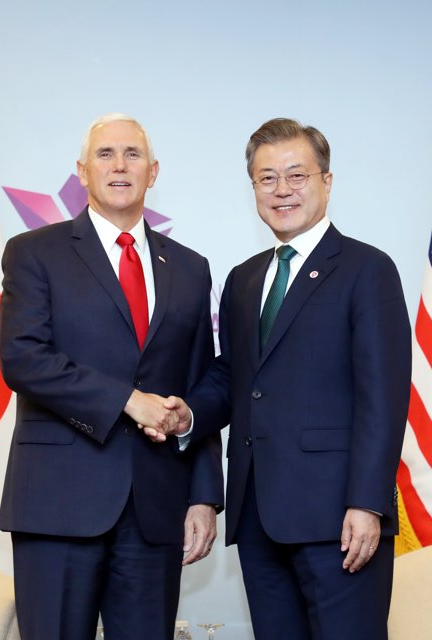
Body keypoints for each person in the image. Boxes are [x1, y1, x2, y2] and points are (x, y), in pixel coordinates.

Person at [147, 117, 412, 639]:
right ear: (254, 189)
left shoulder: (367, 269)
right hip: (259, 517)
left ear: (327, 182)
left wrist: (366, 502)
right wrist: (189, 414)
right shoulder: (245, 279)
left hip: (339, 518)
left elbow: (384, 396)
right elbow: (236, 376)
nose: (282, 190)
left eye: (297, 175)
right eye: (267, 178)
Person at [0, 113, 223, 640]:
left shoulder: (190, 268)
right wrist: (128, 400)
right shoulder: (34, 253)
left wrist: (204, 496)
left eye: (132, 154)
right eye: (105, 154)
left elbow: (200, 385)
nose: (119, 165)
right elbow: (23, 358)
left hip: (155, 508)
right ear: (81, 171)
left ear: (154, 170)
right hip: (57, 505)